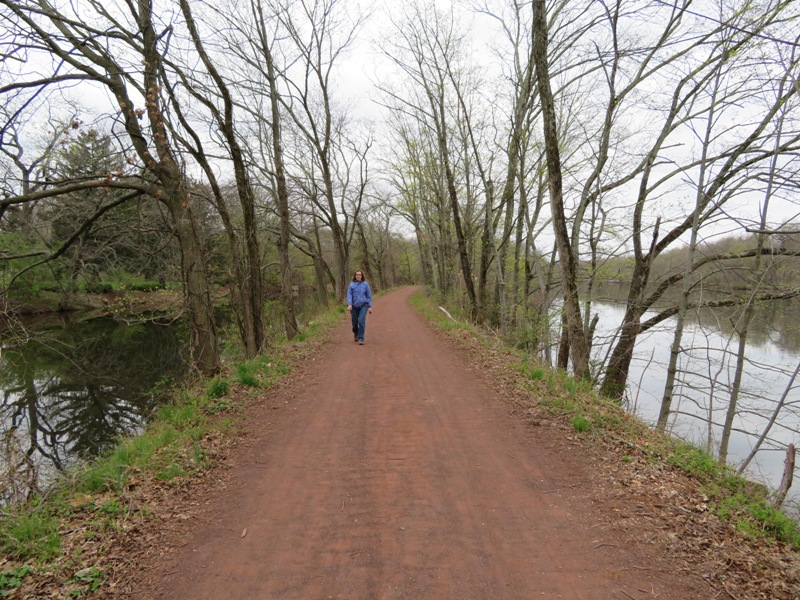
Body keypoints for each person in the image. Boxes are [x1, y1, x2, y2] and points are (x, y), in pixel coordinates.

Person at [346, 270, 373, 345]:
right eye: (357, 275)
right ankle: (356, 333)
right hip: (354, 306)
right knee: (354, 322)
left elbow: (369, 296)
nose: (358, 276)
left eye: (360, 275)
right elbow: (349, 295)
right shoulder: (351, 285)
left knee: (361, 321)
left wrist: (370, 306)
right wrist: (349, 304)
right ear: (355, 276)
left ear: (362, 276)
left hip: (363, 305)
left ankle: (361, 338)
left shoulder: (365, 284)